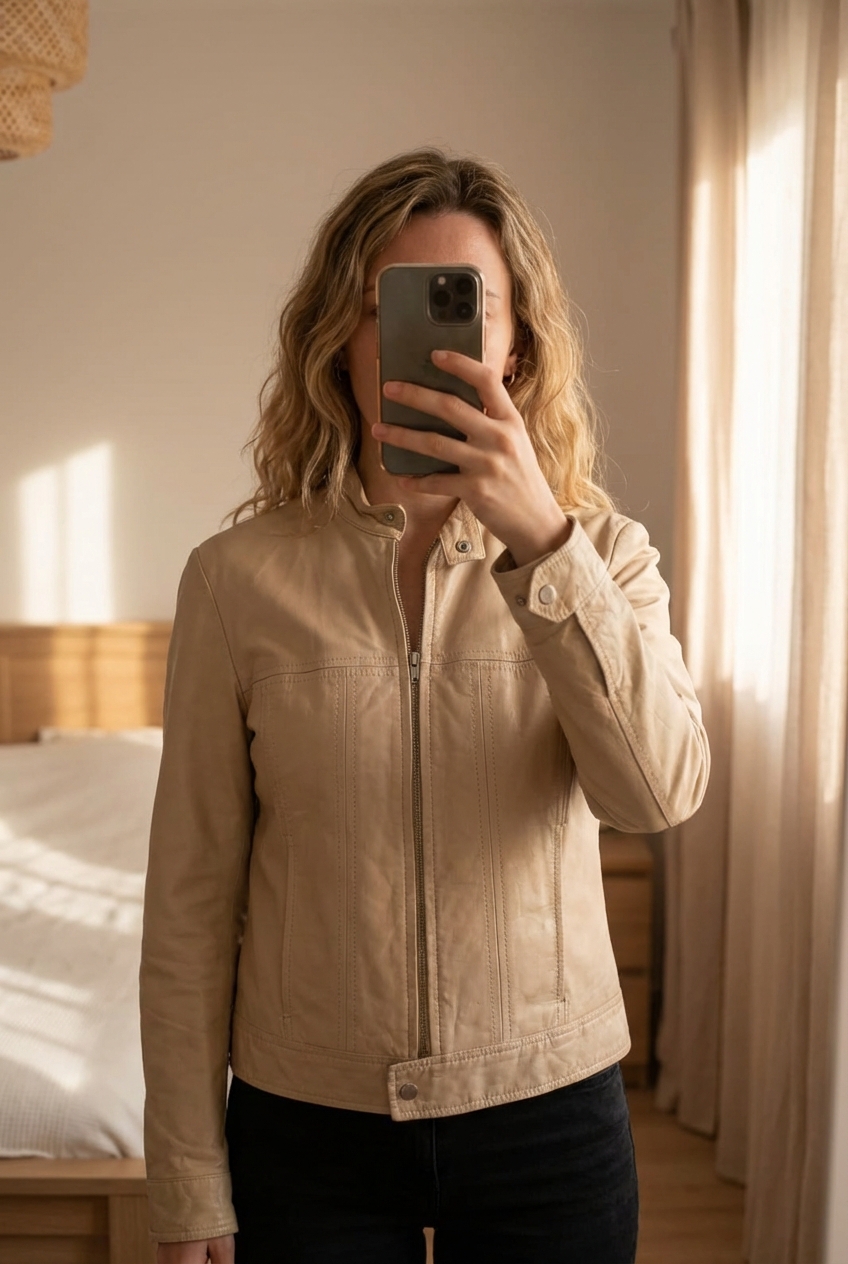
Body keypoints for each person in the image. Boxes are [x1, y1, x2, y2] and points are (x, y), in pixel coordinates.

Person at [140, 148, 709, 1264]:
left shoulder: (603, 556)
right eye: (387, 306)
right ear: (338, 342)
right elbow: (191, 902)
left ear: (517, 343)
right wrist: (187, 1178)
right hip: (308, 1126)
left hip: (548, 1111)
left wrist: (542, 543)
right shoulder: (233, 581)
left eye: (465, 307)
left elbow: (655, 795)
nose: (431, 347)